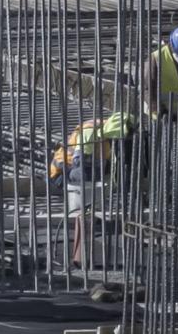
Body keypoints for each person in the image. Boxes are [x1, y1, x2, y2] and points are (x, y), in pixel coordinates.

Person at [49, 112, 136, 268]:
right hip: (63, 173)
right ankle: (82, 250)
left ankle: (89, 217)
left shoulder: (107, 134)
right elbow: (80, 165)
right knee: (90, 178)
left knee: (105, 172)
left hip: (82, 170)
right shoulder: (90, 131)